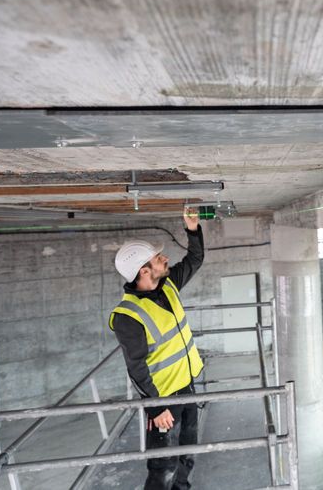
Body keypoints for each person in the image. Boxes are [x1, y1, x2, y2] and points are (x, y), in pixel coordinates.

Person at [110, 209, 204, 490]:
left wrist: (193, 230)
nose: (165, 259)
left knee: (187, 456)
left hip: (186, 387)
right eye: (157, 258)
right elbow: (136, 367)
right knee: (163, 466)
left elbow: (195, 259)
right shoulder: (128, 315)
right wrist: (156, 407)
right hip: (163, 400)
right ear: (144, 271)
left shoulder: (168, 286)